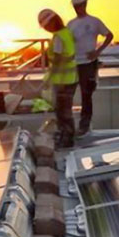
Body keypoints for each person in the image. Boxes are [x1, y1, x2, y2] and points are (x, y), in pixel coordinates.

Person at [67, 0, 114, 137]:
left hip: (88, 64)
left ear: (85, 4)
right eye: (75, 6)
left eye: (80, 5)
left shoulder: (94, 22)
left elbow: (109, 35)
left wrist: (97, 52)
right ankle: (69, 126)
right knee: (68, 94)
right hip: (74, 64)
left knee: (86, 95)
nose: (78, 8)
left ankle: (84, 126)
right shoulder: (71, 24)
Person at [37, 8, 78, 148]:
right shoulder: (66, 33)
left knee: (62, 112)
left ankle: (66, 140)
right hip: (70, 78)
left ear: (52, 22)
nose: (46, 29)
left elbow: (59, 60)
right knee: (65, 110)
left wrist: (51, 78)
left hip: (63, 80)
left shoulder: (59, 37)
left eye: (46, 26)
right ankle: (67, 137)